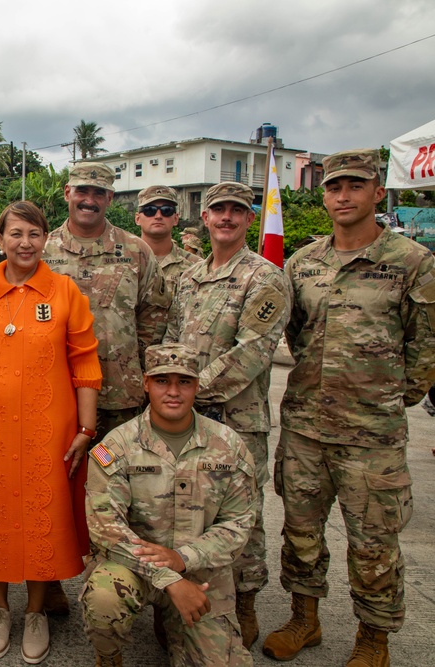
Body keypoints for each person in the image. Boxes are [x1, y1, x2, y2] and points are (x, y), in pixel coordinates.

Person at [264, 150, 435, 667]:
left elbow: (425, 348)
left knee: (373, 544)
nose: (344, 195)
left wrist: (386, 399)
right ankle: (304, 619)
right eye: (335, 186)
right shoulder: (304, 263)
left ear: (377, 193)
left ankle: (373, 639)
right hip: (306, 427)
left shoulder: (411, 261)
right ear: (324, 195)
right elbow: (293, 335)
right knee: (300, 532)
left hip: (372, 435)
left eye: (355, 186)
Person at [0, 200, 101, 663]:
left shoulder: (65, 292)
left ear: (45, 238)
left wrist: (86, 427)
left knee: (40, 515)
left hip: (49, 431)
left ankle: (35, 611)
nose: (25, 243)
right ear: (0, 240)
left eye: (34, 233)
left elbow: (85, 361)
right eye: (16, 234)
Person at [163, 181, 291, 648]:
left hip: (237, 420)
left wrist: (185, 390)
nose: (227, 218)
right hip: (186, 418)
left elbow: (253, 351)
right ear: (206, 217)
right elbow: (173, 338)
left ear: (248, 218)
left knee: (243, 515)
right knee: (189, 509)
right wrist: (174, 394)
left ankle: (246, 602)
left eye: (237, 211)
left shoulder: (265, 277)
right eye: (219, 210)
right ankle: (189, 599)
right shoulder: (190, 276)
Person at [42, 161, 170, 614]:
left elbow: (153, 318)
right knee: (55, 490)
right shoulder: (42, 248)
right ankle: (50, 576)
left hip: (121, 401)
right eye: (82, 190)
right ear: (67, 192)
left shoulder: (136, 251)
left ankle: (117, 582)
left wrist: (145, 379)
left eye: (99, 192)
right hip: (55, 398)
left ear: (111, 199)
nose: (89, 199)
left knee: (124, 494)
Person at [82, 343, 256, 667]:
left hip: (199, 571)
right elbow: (106, 527)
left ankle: (175, 625)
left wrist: (183, 559)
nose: (173, 392)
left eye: (184, 382)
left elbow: (239, 522)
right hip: (134, 566)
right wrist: (168, 577)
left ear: (197, 386)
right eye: (163, 381)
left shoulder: (228, 446)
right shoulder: (117, 446)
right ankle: (109, 656)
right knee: (104, 599)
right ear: (146, 383)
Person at [134, 186, 199, 293]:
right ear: (137, 218)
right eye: (150, 210)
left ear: (176, 218)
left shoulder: (196, 267)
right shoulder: (120, 262)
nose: (158, 216)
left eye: (166, 210)